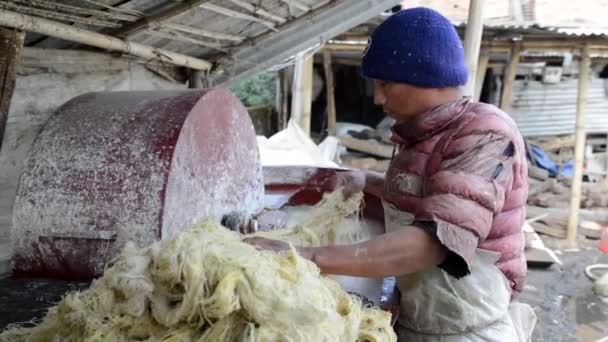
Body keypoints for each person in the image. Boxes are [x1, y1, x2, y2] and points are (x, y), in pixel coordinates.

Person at [246, 7, 536, 341]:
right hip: (420, 318)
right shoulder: (421, 133)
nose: (378, 97)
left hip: (468, 330)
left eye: (386, 83)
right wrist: (368, 182)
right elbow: (432, 200)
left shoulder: (484, 133)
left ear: (426, 76)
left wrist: (305, 255)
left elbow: (432, 243)